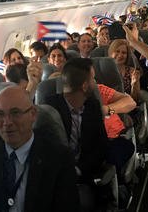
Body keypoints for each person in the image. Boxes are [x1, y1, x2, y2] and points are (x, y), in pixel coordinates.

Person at [44, 58, 108, 186]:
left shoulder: (92, 105)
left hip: (84, 172)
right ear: (84, 86)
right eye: (93, 79)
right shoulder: (49, 108)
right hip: (55, 177)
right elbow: (45, 150)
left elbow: (101, 146)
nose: (95, 83)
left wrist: (78, 170)